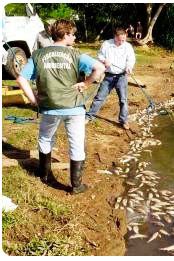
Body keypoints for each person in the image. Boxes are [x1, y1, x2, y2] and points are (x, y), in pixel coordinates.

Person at [16, 19, 105, 194]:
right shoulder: (76, 54)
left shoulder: (38, 55)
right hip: (74, 107)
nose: (75, 37)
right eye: (73, 34)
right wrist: (86, 84)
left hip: (49, 107)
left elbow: (21, 78)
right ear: (65, 35)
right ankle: (76, 185)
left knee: (45, 139)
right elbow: (100, 68)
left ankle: (44, 174)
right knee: (76, 144)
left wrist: (33, 99)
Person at [85, 27, 135, 129]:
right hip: (108, 76)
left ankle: (124, 120)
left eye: (123, 40)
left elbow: (131, 59)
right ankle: (90, 116)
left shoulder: (128, 46)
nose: (121, 42)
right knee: (99, 97)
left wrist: (129, 67)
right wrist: (104, 60)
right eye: (120, 40)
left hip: (122, 76)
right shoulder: (107, 44)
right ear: (115, 37)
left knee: (123, 100)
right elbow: (100, 55)